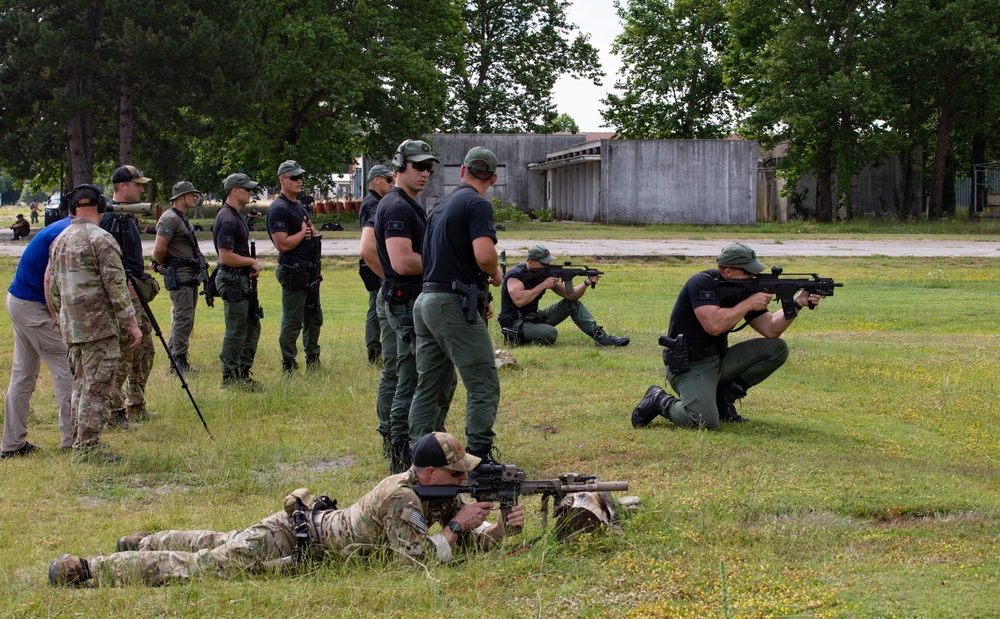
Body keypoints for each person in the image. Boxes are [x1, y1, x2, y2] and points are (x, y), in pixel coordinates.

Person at [48, 431, 526, 586]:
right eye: (456, 473)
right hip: (295, 538)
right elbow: (415, 562)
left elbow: (451, 546)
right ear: (427, 473)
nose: (463, 480)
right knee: (203, 567)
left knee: (218, 542)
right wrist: (461, 528)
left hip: (301, 531)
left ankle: (140, 541)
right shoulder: (402, 496)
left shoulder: (432, 494)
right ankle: (90, 569)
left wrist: (499, 529)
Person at [630, 242, 826, 430]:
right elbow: (713, 326)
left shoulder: (742, 290)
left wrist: (798, 302)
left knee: (776, 348)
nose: (754, 277)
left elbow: (771, 329)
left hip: (718, 359)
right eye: (749, 272)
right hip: (690, 365)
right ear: (729, 272)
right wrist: (748, 304)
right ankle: (659, 400)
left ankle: (724, 397)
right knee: (702, 421)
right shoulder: (701, 283)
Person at [408, 147, 503, 464]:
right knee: (483, 381)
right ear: (493, 178)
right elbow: (485, 256)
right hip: (451, 303)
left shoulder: (439, 206)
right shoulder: (478, 204)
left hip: (425, 301)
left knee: (430, 382)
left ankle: (421, 453)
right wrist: (495, 272)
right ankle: (479, 455)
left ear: (462, 171)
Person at [47, 185, 142, 463]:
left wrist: (63, 319)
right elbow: (116, 287)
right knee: (96, 388)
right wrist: (132, 323)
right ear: (101, 205)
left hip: (73, 329)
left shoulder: (59, 240)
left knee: (80, 386)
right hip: (99, 328)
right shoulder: (102, 239)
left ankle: (79, 442)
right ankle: (87, 450)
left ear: (72, 208)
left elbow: (53, 290)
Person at [371, 140, 438, 473]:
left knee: (405, 373)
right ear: (399, 166)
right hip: (403, 300)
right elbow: (402, 261)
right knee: (409, 376)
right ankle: (399, 450)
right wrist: (444, 265)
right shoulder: (397, 206)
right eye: (418, 166)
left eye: (429, 167)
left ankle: (402, 443)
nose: (425, 173)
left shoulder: (405, 203)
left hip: (406, 298)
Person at [2, 209, 74, 458]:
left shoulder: (64, 226)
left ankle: (12, 444)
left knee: (23, 374)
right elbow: (49, 278)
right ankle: (73, 439)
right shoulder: (68, 233)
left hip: (19, 301)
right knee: (67, 365)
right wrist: (55, 315)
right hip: (32, 306)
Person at [101, 165, 158, 424]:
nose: (141, 188)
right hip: (124, 293)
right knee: (124, 354)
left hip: (135, 289)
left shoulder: (128, 216)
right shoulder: (111, 219)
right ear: (122, 186)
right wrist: (123, 287)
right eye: (137, 184)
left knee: (145, 349)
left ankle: (136, 402)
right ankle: (114, 411)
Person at [498, 245, 629, 347]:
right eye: (544, 264)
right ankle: (517, 340)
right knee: (550, 333)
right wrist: (543, 285)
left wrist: (586, 282)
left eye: (548, 263)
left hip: (532, 317)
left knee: (572, 305)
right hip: (514, 323)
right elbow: (519, 300)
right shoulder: (515, 275)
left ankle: (600, 337)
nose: (547, 266)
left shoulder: (544, 274)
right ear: (531, 262)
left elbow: (571, 296)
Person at [266, 160, 322, 373]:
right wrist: (302, 233)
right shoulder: (278, 209)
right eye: (294, 177)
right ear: (282, 180)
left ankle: (313, 358)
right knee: (293, 321)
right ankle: (288, 362)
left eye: (301, 177)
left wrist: (311, 232)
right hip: (293, 271)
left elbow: (312, 232)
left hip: (309, 271)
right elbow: (282, 244)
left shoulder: (299, 206)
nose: (299, 181)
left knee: (314, 316)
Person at [212, 173, 263, 390]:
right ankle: (229, 377)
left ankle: (242, 372)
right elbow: (225, 255)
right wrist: (250, 261)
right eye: (247, 189)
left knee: (251, 325)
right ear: (234, 190)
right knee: (236, 329)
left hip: (241, 279)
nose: (250, 192)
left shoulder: (236, 216)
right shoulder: (227, 218)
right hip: (233, 279)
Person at [152, 181, 207, 375]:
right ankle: (179, 362)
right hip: (180, 274)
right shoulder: (169, 218)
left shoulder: (182, 218)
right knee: (183, 318)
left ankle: (176, 357)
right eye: (192, 194)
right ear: (180, 197)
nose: (195, 197)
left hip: (189, 274)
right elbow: (159, 249)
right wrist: (160, 263)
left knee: (186, 318)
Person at [358, 165, 394, 365]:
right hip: (375, 263)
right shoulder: (373, 203)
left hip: (376, 262)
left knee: (376, 304)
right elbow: (369, 239)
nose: (392, 184)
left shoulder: (375, 202)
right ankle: (374, 349)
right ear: (377, 180)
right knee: (376, 306)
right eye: (388, 180)